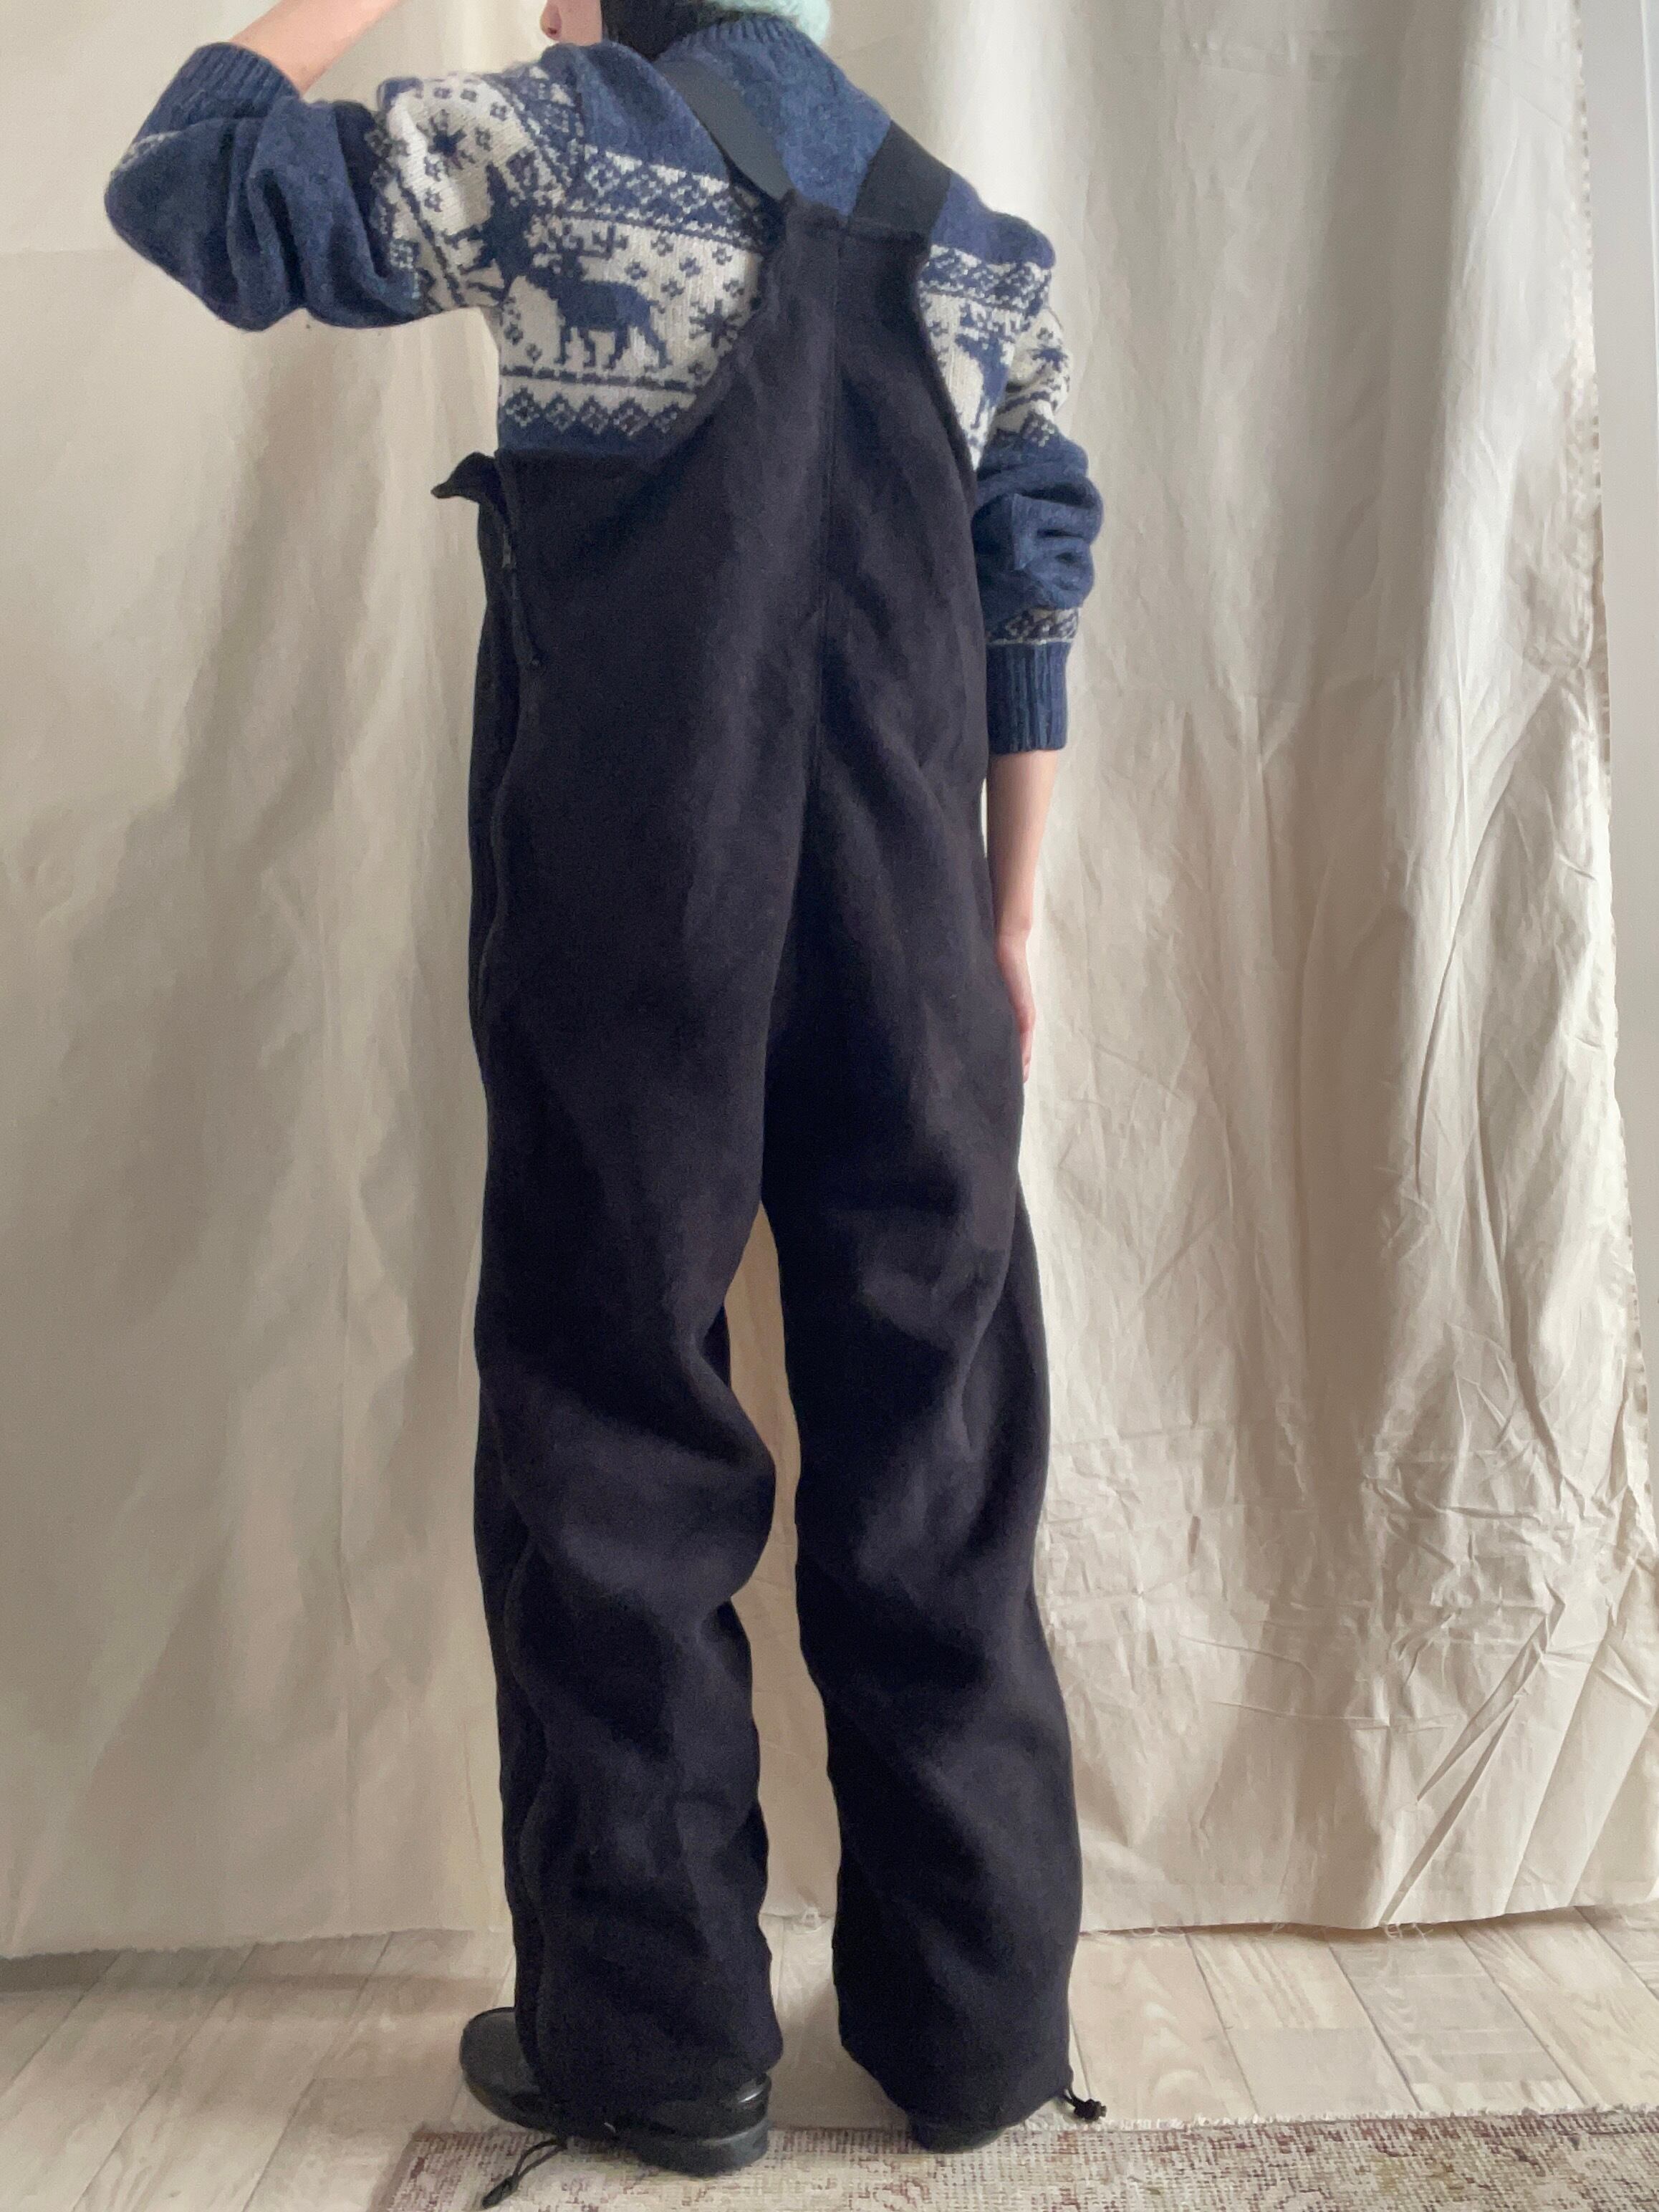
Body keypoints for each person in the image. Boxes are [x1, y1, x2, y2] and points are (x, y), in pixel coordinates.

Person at [105, 0, 1106, 2184]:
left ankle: (656, 2043)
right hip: (920, 926)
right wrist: (1010, 919)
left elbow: (195, 185)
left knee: (608, 1427)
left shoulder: (564, 145)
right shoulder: (971, 241)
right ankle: (975, 2027)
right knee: (938, 1440)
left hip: (638, 907)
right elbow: (1030, 577)